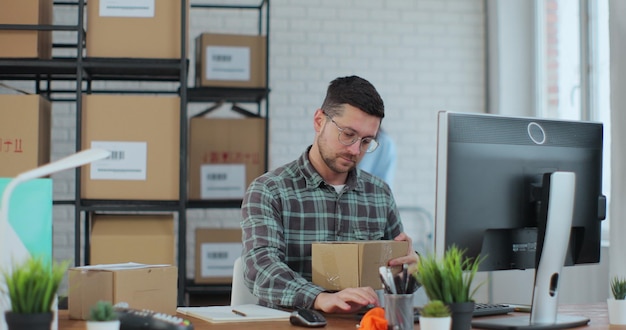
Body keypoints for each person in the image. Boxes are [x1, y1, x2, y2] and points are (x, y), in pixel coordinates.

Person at [240, 75, 419, 314]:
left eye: (367, 141)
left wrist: (413, 270)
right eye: (348, 134)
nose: (355, 150)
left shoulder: (379, 194)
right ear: (319, 121)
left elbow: (396, 280)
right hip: (292, 323)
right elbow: (260, 268)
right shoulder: (269, 191)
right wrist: (319, 298)